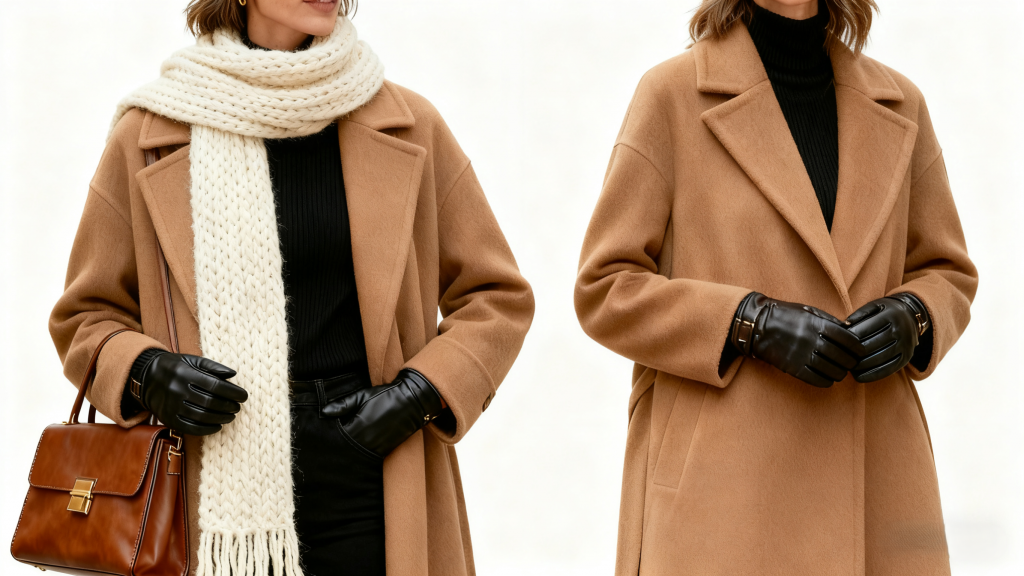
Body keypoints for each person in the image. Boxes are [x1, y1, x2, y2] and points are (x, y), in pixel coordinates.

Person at [49, 0, 535, 574]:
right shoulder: (151, 132)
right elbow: (86, 316)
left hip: (373, 471)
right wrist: (148, 372)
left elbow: (496, 296)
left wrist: (419, 394)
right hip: (208, 487)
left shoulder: (408, 122)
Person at [574, 0, 977, 573]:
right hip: (724, 495)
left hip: (878, 485)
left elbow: (948, 269)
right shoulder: (671, 95)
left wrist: (915, 315)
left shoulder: (901, 104)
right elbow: (604, 286)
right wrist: (747, 321)